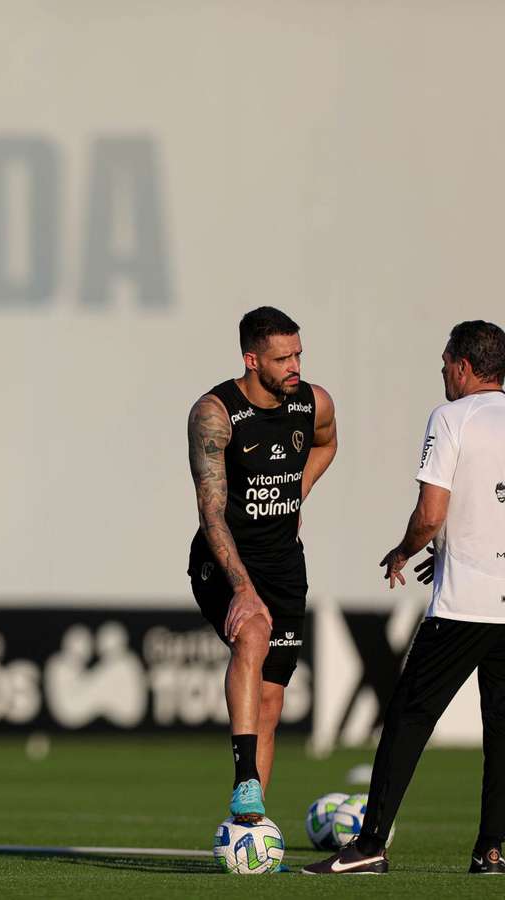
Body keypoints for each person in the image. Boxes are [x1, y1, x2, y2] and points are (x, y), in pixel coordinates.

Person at [304, 320, 505, 876]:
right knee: (502, 730)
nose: (442, 372)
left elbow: (431, 513)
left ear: (464, 366)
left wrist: (404, 550)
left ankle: (369, 845)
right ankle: (492, 850)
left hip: (465, 606)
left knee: (407, 718)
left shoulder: (451, 417)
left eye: (445, 363)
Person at [187, 306, 338, 828]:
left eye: (298, 354)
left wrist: (298, 489)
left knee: (271, 702)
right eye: (282, 358)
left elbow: (327, 442)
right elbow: (210, 513)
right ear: (252, 360)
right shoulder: (215, 413)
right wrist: (244, 589)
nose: (295, 366)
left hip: (285, 566)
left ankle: (247, 832)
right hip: (225, 561)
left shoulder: (313, 402)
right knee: (252, 633)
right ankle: (245, 781)